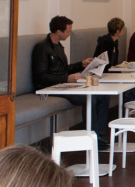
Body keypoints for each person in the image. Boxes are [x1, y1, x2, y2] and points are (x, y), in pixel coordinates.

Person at [32, 15, 110, 149]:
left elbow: (64, 69)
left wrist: (81, 64)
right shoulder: (42, 48)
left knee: (103, 96)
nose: (70, 33)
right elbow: (41, 77)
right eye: (68, 31)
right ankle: (93, 138)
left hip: (63, 84)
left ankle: (98, 135)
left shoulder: (58, 46)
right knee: (90, 99)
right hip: (50, 88)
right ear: (58, 31)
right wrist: (66, 79)